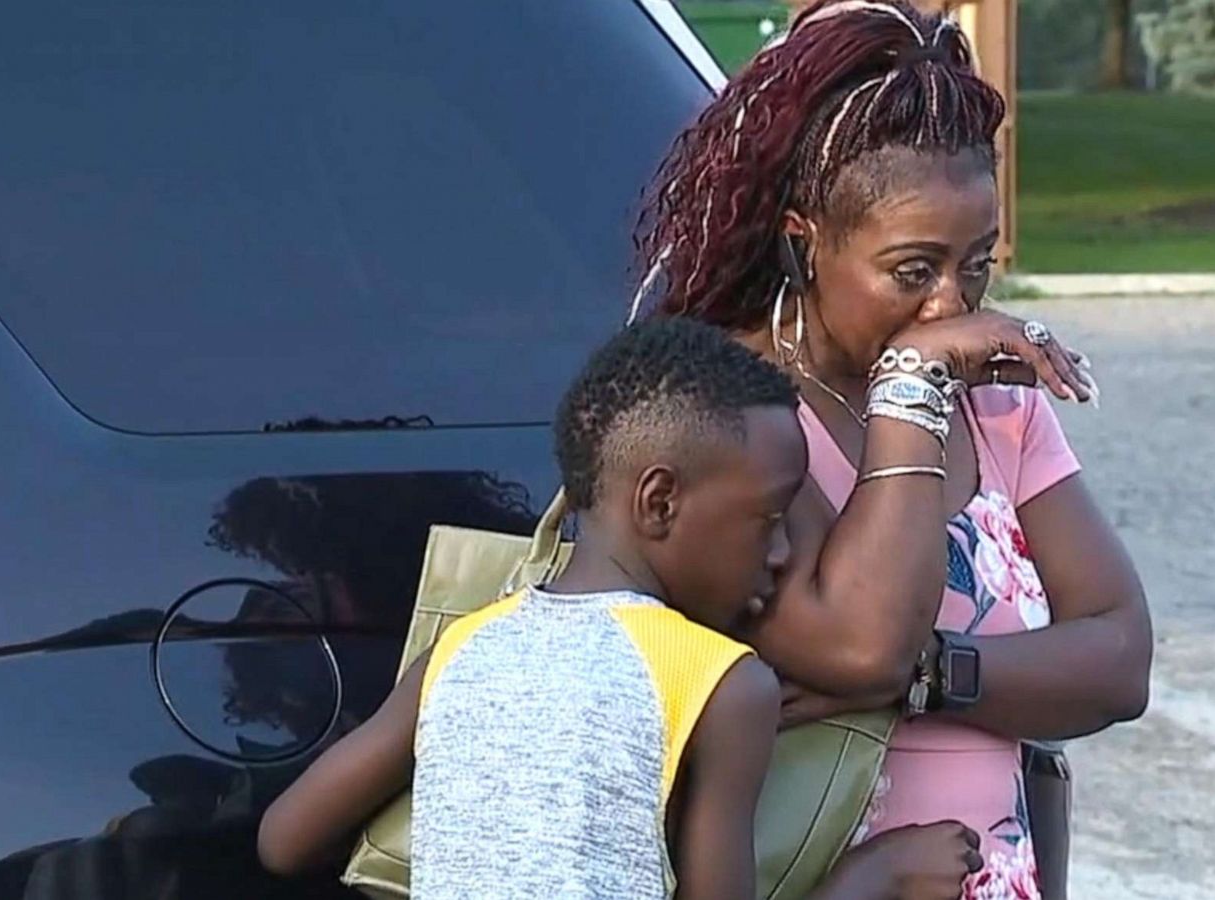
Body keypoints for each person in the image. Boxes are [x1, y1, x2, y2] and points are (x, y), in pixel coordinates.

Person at [634, 1, 1154, 895]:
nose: (951, 307)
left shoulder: (998, 407)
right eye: (913, 271)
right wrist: (912, 380)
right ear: (804, 243)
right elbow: (860, 645)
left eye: (978, 263)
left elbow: (1120, 658)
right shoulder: (731, 415)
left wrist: (928, 678)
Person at [255, 318, 984, 900]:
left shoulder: (460, 647)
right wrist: (878, 877)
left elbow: (283, 840)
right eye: (769, 519)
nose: (784, 555)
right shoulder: (722, 683)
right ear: (659, 501)